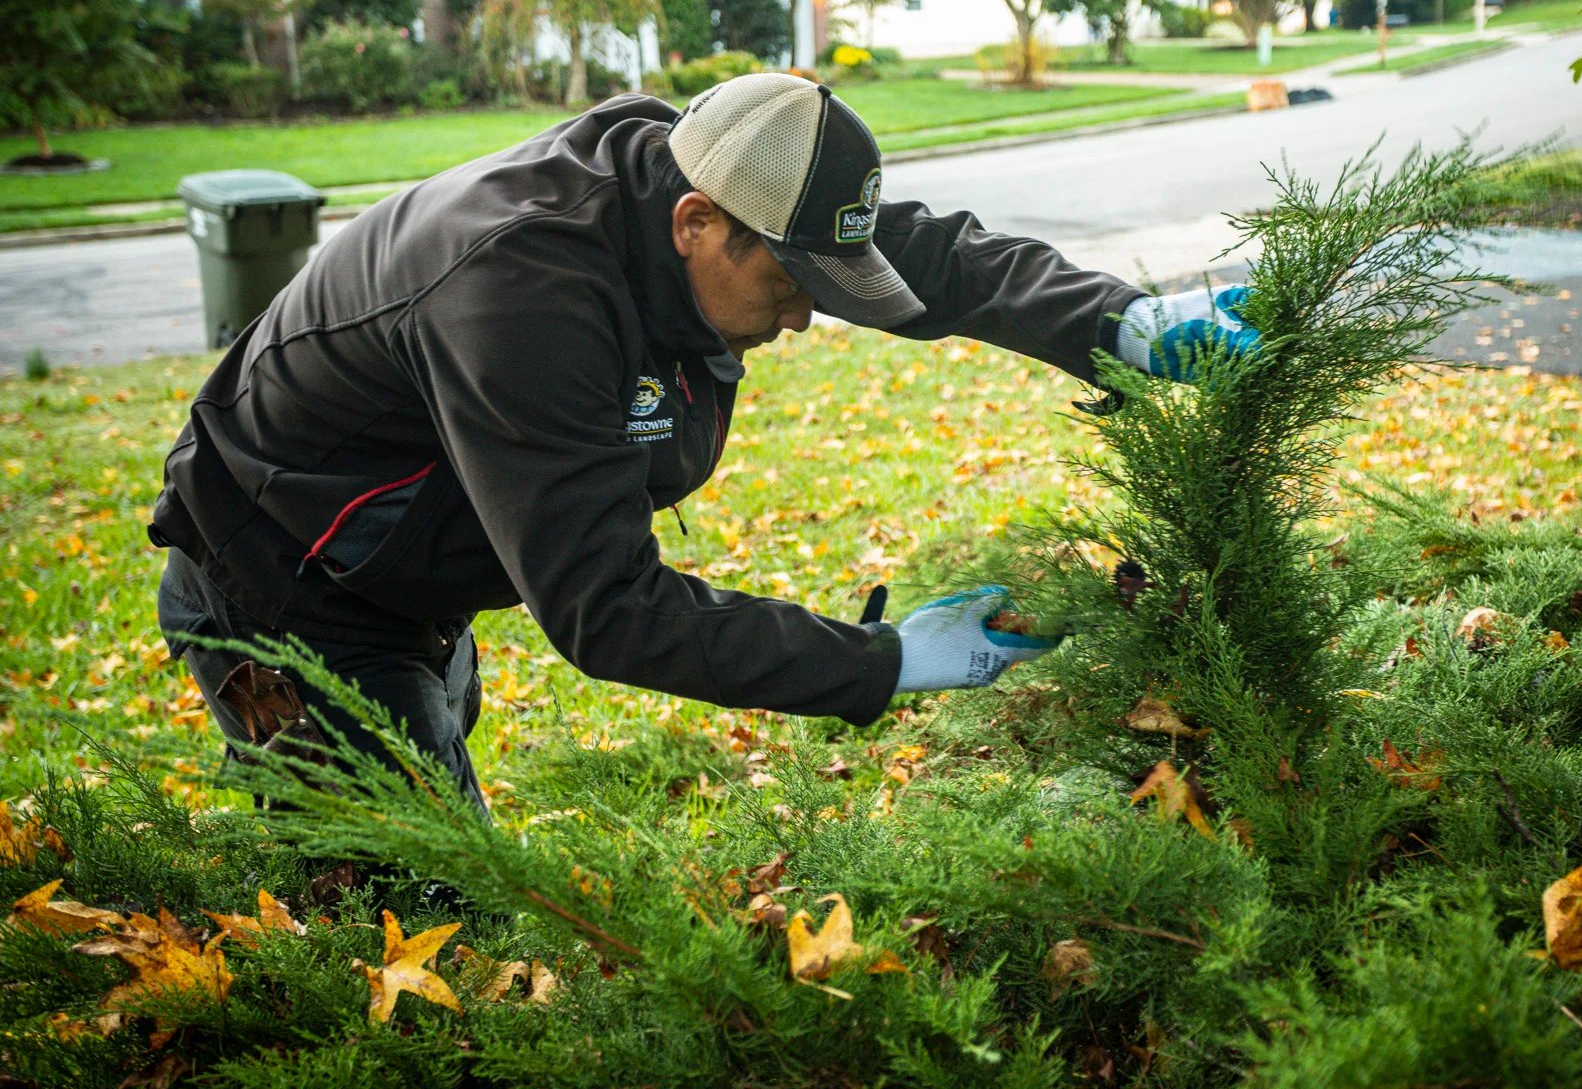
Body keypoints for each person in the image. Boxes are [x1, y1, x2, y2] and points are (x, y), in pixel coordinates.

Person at [151, 73, 1259, 814]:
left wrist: (1123, 323)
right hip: (285, 582)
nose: (803, 318)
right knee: (415, 893)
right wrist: (888, 661)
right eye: (789, 285)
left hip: (406, 563)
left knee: (419, 805)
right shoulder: (519, 294)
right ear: (696, 226)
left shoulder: (720, 172)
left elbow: (933, 257)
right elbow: (608, 610)